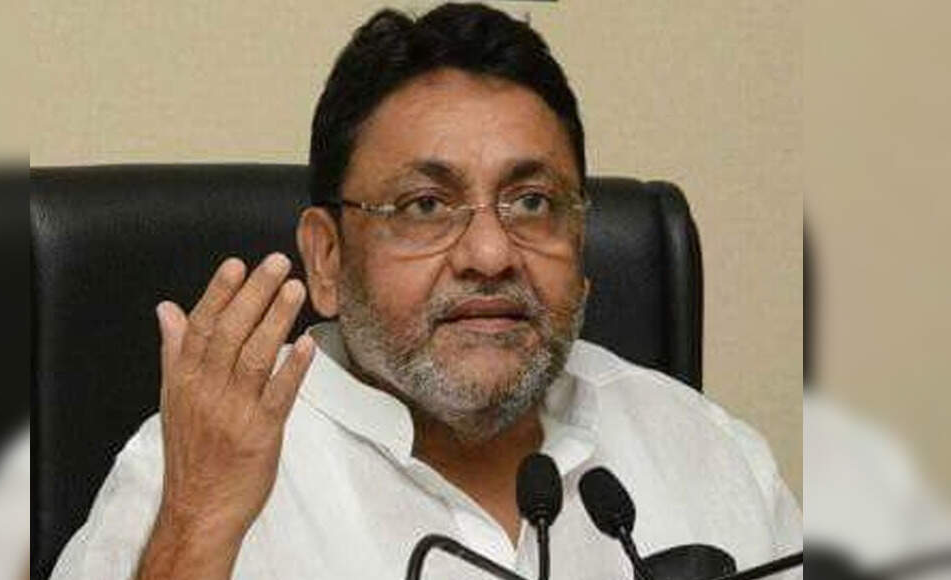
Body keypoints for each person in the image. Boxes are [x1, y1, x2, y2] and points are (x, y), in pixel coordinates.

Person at [50, 4, 801, 579]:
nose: (489, 254)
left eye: (531, 202)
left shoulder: (707, 455)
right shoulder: (190, 476)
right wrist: (197, 530)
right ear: (326, 259)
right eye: (426, 206)